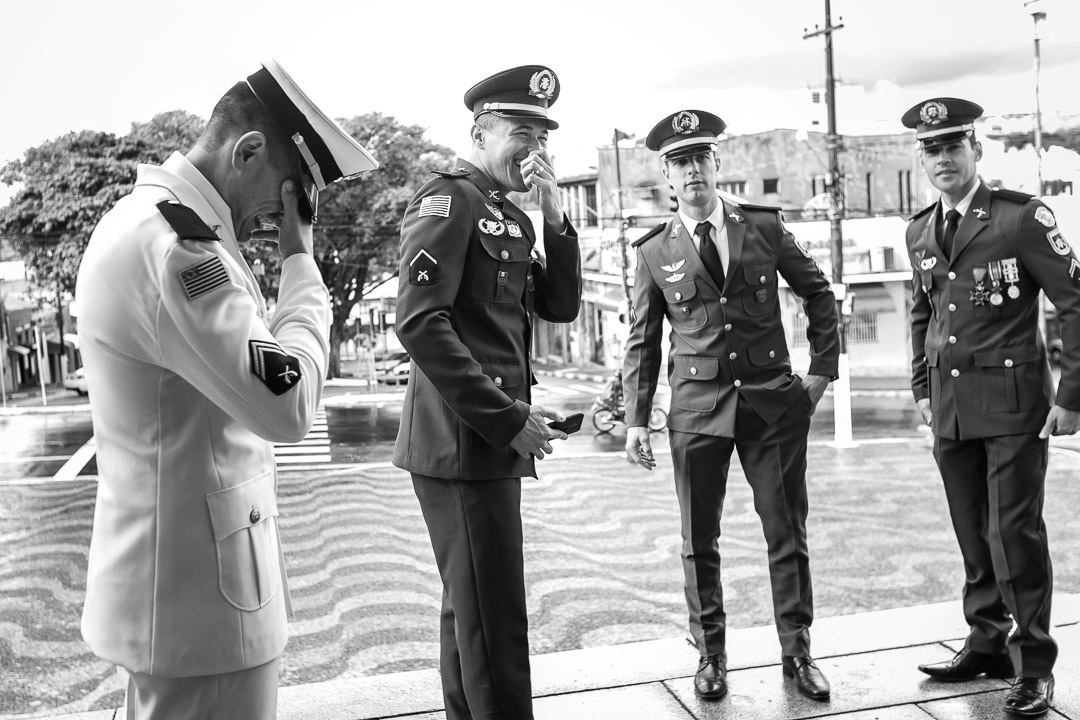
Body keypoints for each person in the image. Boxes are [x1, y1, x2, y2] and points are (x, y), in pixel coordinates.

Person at [76, 58, 378, 720]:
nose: (287, 211)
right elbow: (289, 403)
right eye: (290, 190)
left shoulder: (146, 220)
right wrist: (301, 261)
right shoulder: (182, 251)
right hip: (202, 613)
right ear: (247, 151)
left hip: (179, 596)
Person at [622, 110, 840, 702]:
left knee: (785, 532)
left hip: (772, 405)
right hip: (696, 410)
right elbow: (642, 340)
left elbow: (818, 293)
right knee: (699, 539)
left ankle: (798, 653)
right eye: (679, 162)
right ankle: (710, 655)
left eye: (700, 158)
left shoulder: (762, 228)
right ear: (667, 176)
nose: (692, 170)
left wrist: (820, 375)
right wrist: (637, 419)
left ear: (717, 165)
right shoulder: (652, 251)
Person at [392, 65, 581, 720]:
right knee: (496, 626)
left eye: (542, 136)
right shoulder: (447, 202)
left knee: (468, 617)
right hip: (464, 444)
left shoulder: (506, 215)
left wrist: (554, 212)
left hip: (483, 443)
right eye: (520, 132)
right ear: (480, 131)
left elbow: (558, 304)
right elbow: (419, 323)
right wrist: (507, 421)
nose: (534, 149)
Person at [902, 97, 1080, 717]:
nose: (943, 157)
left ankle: (1033, 666)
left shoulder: (1020, 219)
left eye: (953, 145)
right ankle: (985, 641)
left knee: (1014, 536)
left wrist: (1073, 397)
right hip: (950, 407)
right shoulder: (921, 229)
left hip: (1013, 407)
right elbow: (922, 313)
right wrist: (922, 389)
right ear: (921, 159)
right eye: (931, 149)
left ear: (976, 150)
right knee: (973, 535)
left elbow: (1075, 303)